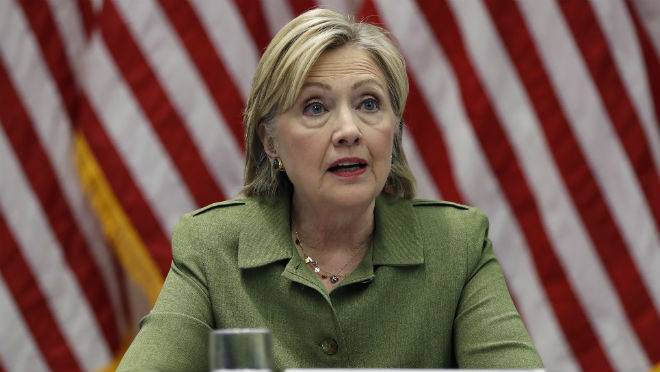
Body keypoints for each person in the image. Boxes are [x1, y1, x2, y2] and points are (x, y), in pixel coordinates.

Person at [118, 8, 543, 371]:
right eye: (315, 107)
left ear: (393, 132)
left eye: (369, 104)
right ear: (270, 142)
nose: (349, 131)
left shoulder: (458, 245)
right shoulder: (211, 248)